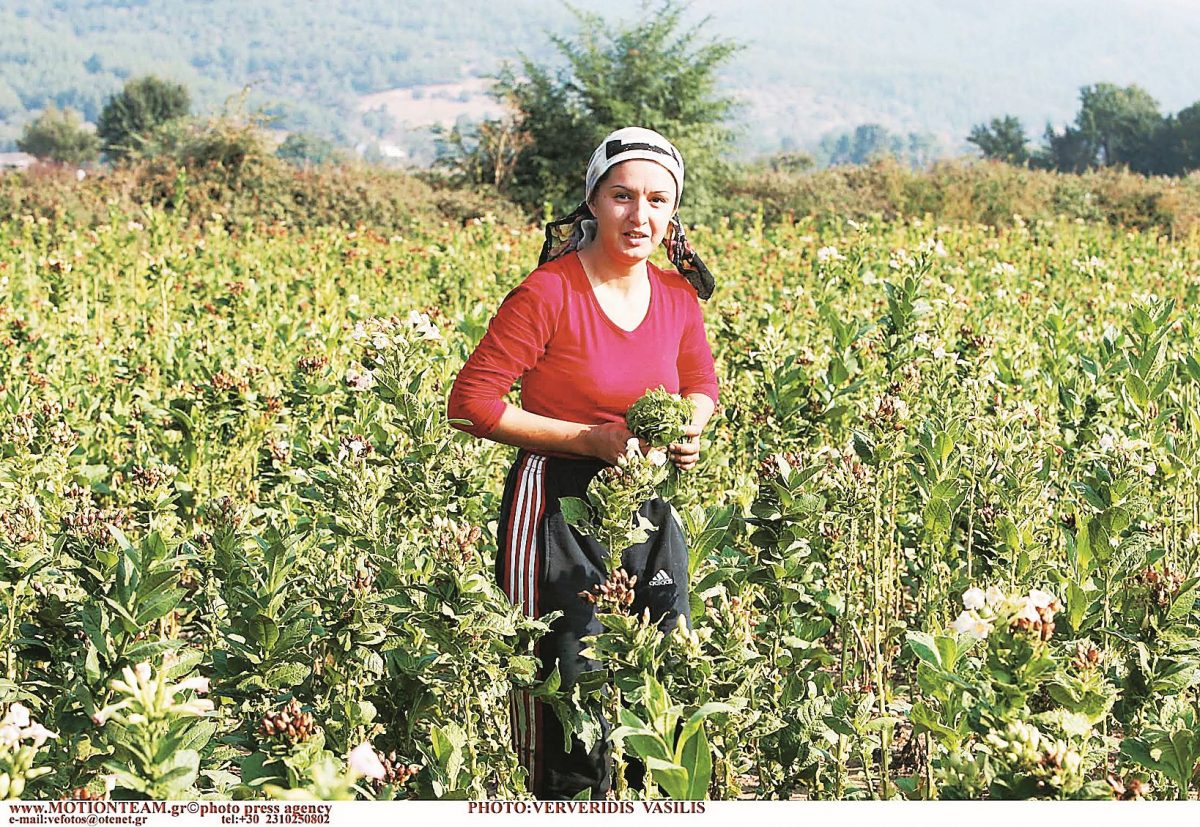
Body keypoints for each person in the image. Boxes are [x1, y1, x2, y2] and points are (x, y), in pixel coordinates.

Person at [446, 126, 719, 800]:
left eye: (658, 199)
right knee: (567, 678)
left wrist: (690, 428)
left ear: (672, 212)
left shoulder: (678, 298)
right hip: (556, 502)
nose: (640, 215)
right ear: (592, 202)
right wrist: (587, 440)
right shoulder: (549, 292)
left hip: (647, 503)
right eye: (622, 195)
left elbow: (701, 387)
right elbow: (469, 404)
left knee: (663, 667)